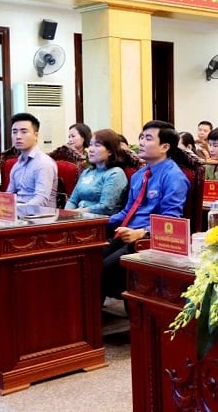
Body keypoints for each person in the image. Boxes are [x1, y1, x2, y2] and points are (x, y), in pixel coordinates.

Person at [103, 120, 190, 301]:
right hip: (124, 235)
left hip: (146, 241)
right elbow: (127, 212)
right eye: (141, 137)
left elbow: (171, 222)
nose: (141, 142)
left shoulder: (174, 177)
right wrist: (97, 222)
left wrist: (141, 233)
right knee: (85, 261)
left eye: (148, 138)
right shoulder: (139, 175)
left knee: (101, 269)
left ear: (165, 146)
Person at [64, 128, 128, 215]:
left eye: (97, 145)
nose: (90, 149)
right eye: (90, 144)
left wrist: (75, 213)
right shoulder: (87, 172)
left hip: (99, 222)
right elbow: (72, 201)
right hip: (78, 218)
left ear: (110, 151)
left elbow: (105, 207)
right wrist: (66, 214)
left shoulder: (115, 173)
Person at [6, 112, 58, 207]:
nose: (18, 136)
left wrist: (16, 211)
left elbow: (41, 200)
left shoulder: (43, 163)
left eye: (24, 132)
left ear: (36, 135)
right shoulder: (17, 165)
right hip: (18, 216)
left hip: (40, 217)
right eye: (14, 132)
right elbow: (9, 195)